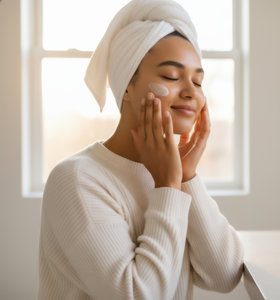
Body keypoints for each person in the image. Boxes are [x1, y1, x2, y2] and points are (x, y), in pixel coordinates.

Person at [38, 0, 244, 299]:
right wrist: (169, 187)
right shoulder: (76, 181)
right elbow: (139, 294)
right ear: (127, 87)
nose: (191, 92)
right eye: (171, 77)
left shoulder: (169, 173)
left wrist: (187, 179)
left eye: (198, 80)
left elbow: (225, 276)